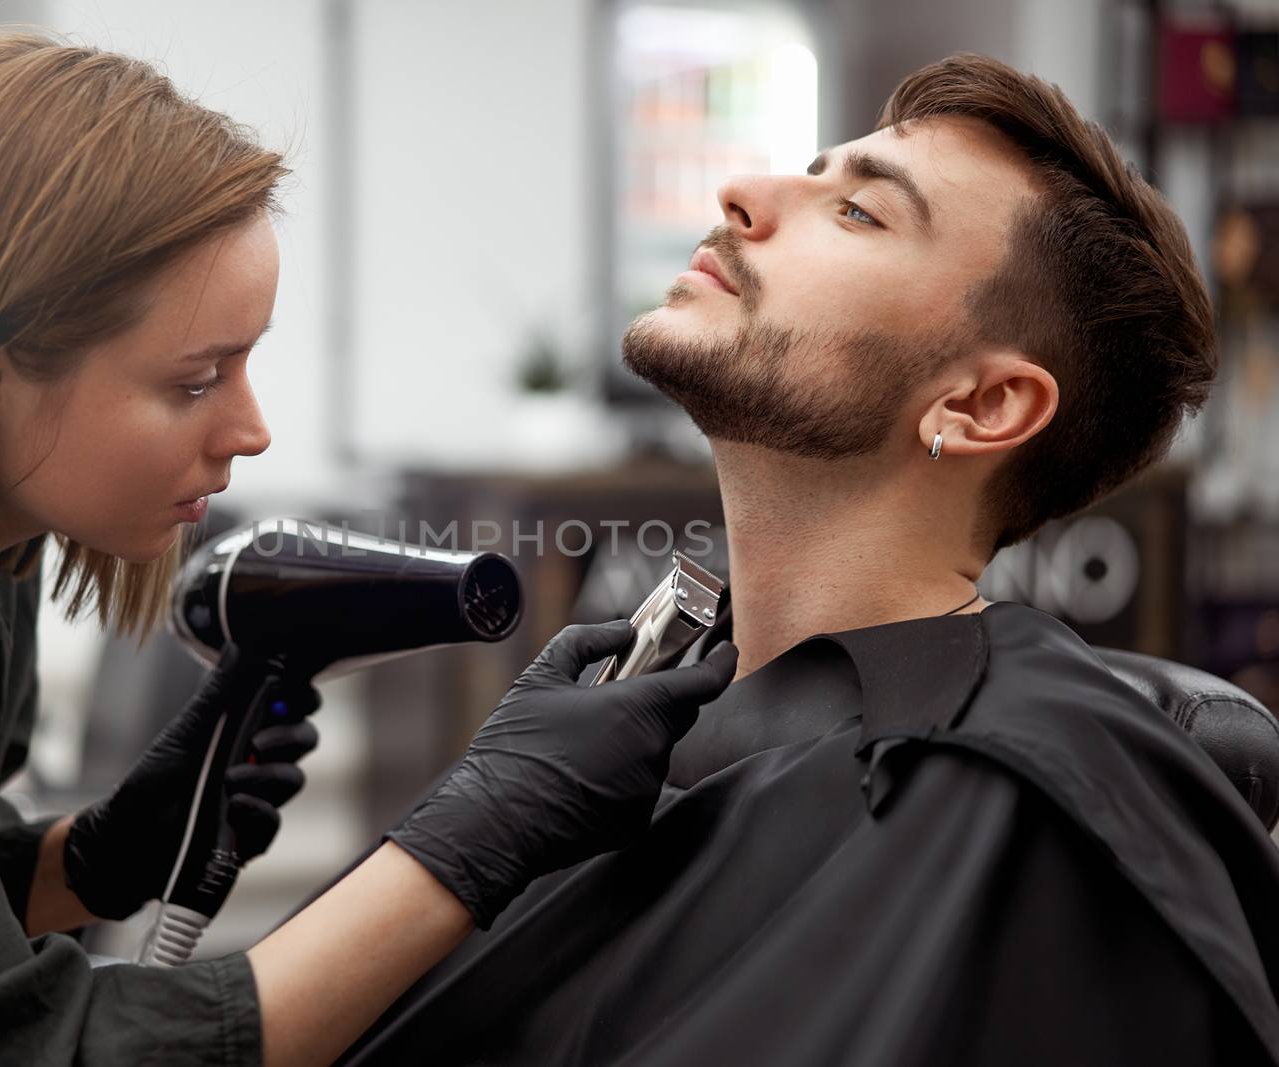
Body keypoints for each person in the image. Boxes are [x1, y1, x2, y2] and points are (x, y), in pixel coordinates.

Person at [0, 30, 738, 1067]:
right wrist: (471, 837)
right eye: (191, 381)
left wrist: (92, 856)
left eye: (244, 364)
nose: (250, 429)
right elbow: (28, 1048)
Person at [335, 55, 1279, 1065]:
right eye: (811, 172)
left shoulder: (1024, 814)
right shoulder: (621, 732)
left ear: (979, 405)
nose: (740, 193)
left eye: (859, 214)